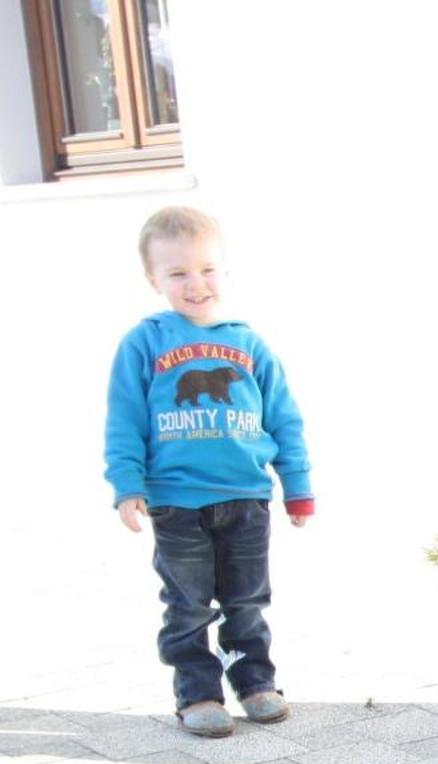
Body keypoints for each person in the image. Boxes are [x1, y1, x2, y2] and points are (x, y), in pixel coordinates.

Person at [104, 206, 315, 737]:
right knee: (188, 602)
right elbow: (125, 419)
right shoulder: (144, 342)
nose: (195, 283)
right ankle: (197, 692)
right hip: (175, 501)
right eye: (177, 273)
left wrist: (298, 486)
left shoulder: (249, 345)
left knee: (247, 599)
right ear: (153, 279)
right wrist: (127, 484)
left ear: (224, 269)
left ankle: (255, 682)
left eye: (206, 269)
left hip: (246, 496)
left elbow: (284, 419)